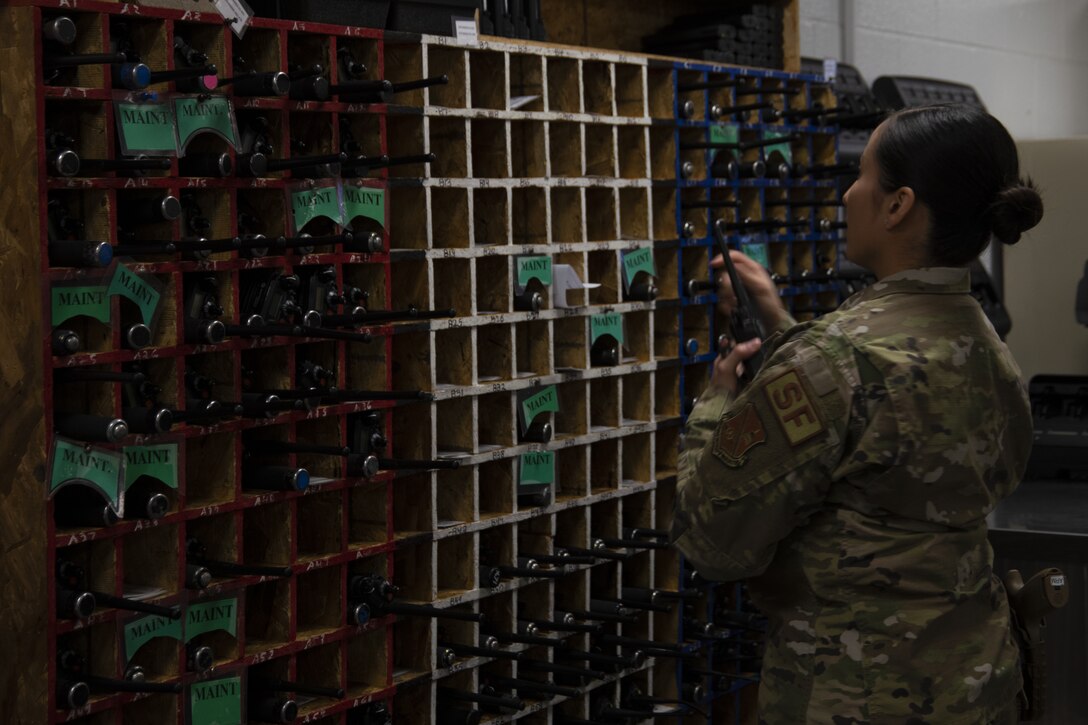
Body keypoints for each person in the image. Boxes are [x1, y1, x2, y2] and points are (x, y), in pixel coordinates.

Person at [671, 103, 1044, 724]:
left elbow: (713, 541)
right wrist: (782, 325)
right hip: (978, 687)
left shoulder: (834, 360)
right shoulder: (983, 341)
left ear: (897, 205)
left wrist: (718, 405)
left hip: (855, 697)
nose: (847, 192)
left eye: (863, 175)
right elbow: (878, 421)